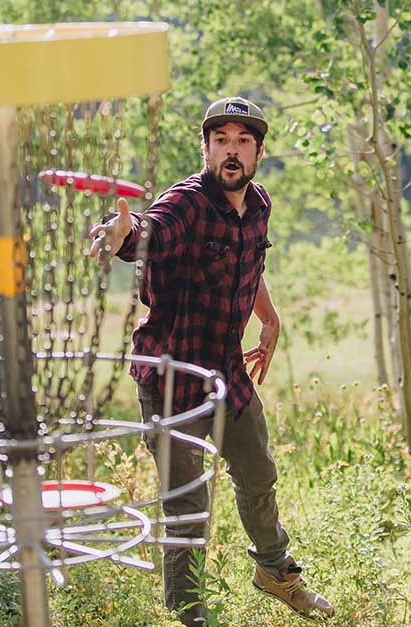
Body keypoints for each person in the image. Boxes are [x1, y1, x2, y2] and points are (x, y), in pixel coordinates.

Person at [89, 97, 334, 625]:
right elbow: (149, 232)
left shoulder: (258, 203)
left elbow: (252, 259)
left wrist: (268, 319)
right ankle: (190, 614)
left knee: (258, 473)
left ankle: (275, 573)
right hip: (173, 377)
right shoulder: (187, 204)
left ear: (258, 153)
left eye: (242, 142)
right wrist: (122, 235)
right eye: (220, 140)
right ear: (205, 149)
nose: (231, 151)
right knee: (186, 505)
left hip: (228, 375)